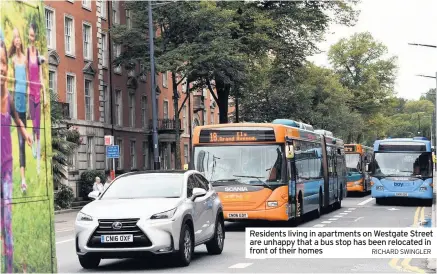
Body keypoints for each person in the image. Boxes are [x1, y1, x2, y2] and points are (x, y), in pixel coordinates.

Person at [1, 35, 33, 274]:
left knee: (7, 224)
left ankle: (10, 269)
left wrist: (25, 133)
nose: (1, 68)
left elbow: (17, 120)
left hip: (7, 169)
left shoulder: (9, 98)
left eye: (3, 62)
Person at [8, 27, 28, 192]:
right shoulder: (12, 60)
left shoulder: (25, 59)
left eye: (18, 38)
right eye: (15, 38)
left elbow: (28, 79)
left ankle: (23, 180)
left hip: (24, 102)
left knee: (22, 141)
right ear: (13, 43)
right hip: (15, 100)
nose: (17, 40)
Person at [27, 22, 44, 175]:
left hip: (38, 92)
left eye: (33, 35)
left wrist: (43, 87)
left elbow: (40, 74)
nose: (31, 37)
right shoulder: (26, 53)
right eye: (29, 35)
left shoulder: (38, 53)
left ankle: (38, 164)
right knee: (33, 124)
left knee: (38, 127)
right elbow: (26, 72)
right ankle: (32, 145)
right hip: (30, 93)